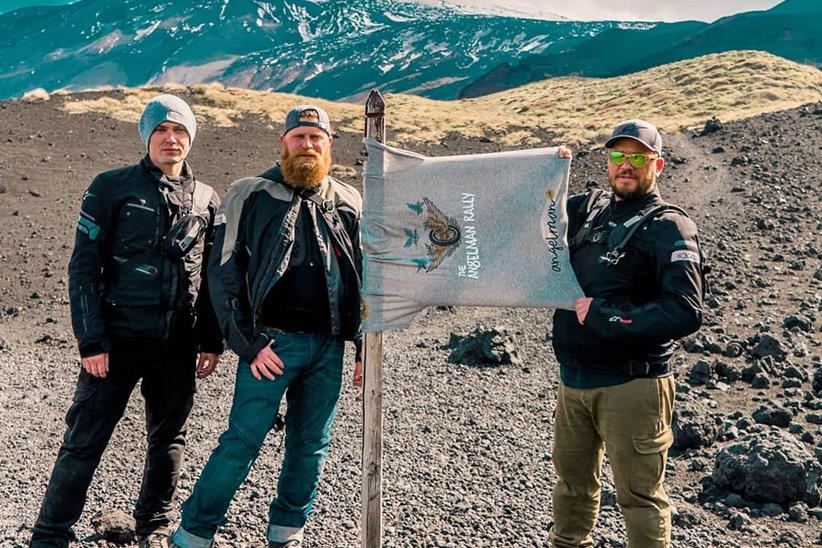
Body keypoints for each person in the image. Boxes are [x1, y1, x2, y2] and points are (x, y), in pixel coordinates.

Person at [30, 94, 224, 548]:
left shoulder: (207, 200)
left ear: (191, 138)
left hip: (177, 342)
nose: (171, 139)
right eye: (161, 130)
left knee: (169, 439)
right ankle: (50, 533)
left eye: (180, 131)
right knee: (85, 438)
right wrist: (90, 341)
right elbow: (83, 267)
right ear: (146, 136)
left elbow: (212, 276)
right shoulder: (110, 187)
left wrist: (211, 340)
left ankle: (153, 527)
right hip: (115, 341)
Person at [170, 105, 363, 548]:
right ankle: (193, 533)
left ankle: (286, 532)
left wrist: (362, 348)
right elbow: (222, 273)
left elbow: (364, 276)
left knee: (311, 443)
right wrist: (249, 344)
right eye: (299, 137)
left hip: (327, 347)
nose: (308, 145)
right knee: (241, 440)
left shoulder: (349, 200)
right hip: (270, 345)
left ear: (330, 145)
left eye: (317, 138)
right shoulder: (248, 193)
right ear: (282, 142)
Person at [549, 120, 705, 547]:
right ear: (607, 160)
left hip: (633, 384)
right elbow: (537, 208)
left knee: (638, 498)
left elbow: (685, 311)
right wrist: (550, 169)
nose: (626, 166)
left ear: (659, 165)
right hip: (574, 381)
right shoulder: (590, 209)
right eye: (618, 156)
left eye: (638, 157)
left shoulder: (670, 227)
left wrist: (606, 317)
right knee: (571, 488)